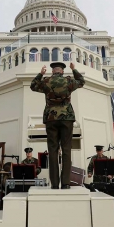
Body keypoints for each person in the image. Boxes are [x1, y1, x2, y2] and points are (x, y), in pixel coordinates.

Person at [31, 61, 85, 189]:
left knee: (52, 150)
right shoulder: (69, 81)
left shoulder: (46, 81)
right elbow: (81, 81)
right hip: (67, 118)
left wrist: (40, 74)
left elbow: (33, 86)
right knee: (66, 149)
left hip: (51, 118)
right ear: (62, 71)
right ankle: (65, 183)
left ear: (52, 71)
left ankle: (54, 184)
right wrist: (74, 70)